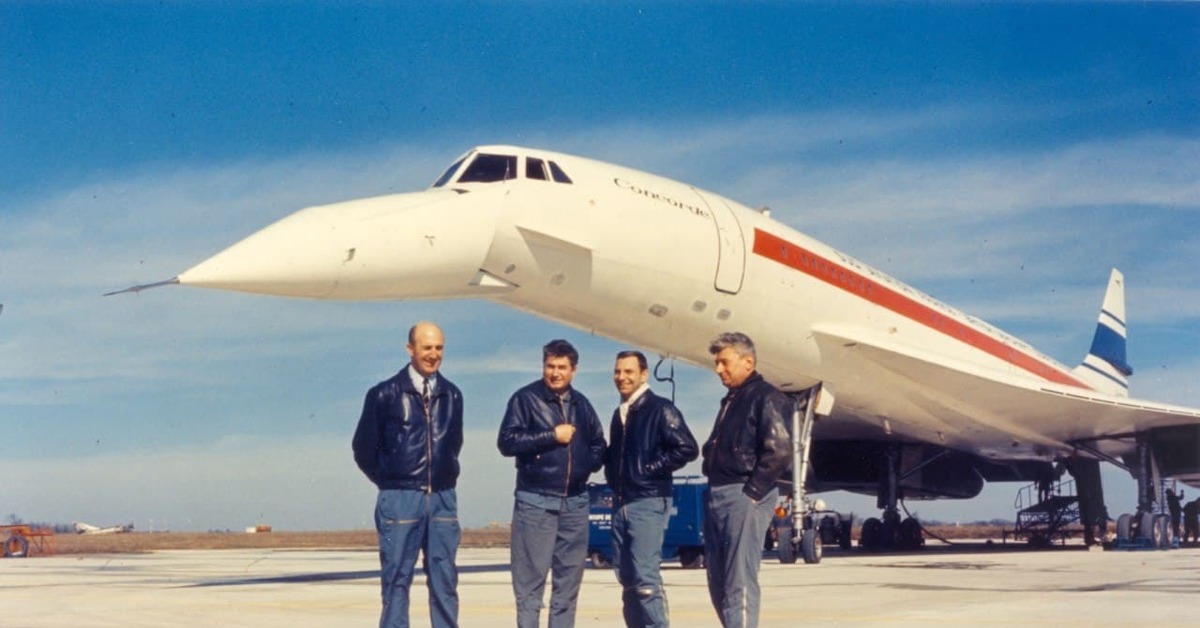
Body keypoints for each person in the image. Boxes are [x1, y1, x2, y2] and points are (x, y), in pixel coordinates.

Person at [352, 322, 464, 628]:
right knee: (396, 580)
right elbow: (364, 449)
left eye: (439, 348)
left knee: (444, 580)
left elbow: (453, 444)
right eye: (427, 347)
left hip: (442, 498)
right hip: (400, 498)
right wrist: (392, 480)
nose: (433, 354)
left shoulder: (452, 395)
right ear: (410, 349)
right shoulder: (384, 394)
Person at [498, 339, 607, 628]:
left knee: (567, 588)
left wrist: (586, 464)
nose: (555, 373)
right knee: (530, 587)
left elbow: (598, 443)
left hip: (575, 503)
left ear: (574, 370)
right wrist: (550, 435)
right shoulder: (525, 399)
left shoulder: (582, 405)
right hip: (536, 502)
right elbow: (507, 442)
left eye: (561, 367)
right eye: (550, 366)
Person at [700, 332, 792, 628]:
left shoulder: (767, 397)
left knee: (738, 580)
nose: (718, 370)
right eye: (717, 363)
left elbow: (779, 450)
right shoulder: (731, 399)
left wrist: (752, 493)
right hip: (717, 493)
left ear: (747, 362)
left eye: (724, 362)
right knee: (718, 582)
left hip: (743, 495)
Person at [604, 350, 699, 628]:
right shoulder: (619, 413)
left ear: (644, 374)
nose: (622, 377)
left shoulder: (660, 408)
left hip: (648, 500)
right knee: (626, 576)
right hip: (622, 501)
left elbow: (687, 447)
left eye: (629, 372)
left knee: (645, 578)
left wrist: (647, 469)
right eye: (618, 371)